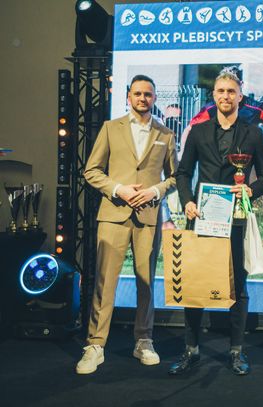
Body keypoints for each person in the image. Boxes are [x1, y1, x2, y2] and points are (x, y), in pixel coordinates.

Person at [170, 71, 263, 376]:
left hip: (236, 219)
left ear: (240, 96)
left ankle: (236, 351)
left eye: (231, 91)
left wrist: (250, 190)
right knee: (194, 285)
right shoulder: (199, 132)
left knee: (238, 286)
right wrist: (187, 201)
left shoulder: (253, 134)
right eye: (220, 91)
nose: (225, 96)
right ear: (213, 95)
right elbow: (183, 173)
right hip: (201, 219)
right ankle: (191, 350)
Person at [76, 75, 178, 374]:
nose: (142, 98)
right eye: (137, 94)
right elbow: (91, 171)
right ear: (128, 96)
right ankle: (95, 345)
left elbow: (175, 177)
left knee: (146, 282)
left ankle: (144, 340)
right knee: (104, 281)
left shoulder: (166, 134)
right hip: (114, 214)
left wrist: (155, 191)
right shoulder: (111, 128)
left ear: (154, 98)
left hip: (148, 216)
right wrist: (119, 189)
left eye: (148, 94)